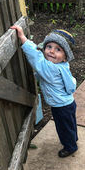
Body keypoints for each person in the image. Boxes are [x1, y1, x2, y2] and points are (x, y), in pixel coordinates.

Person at [10, 25, 78, 158]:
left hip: (60, 106)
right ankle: (73, 138)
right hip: (69, 103)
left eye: (58, 49)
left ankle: (70, 147)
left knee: (63, 128)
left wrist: (23, 38)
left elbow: (37, 58)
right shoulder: (63, 66)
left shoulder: (51, 69)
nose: (52, 51)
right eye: (49, 47)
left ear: (65, 57)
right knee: (70, 123)